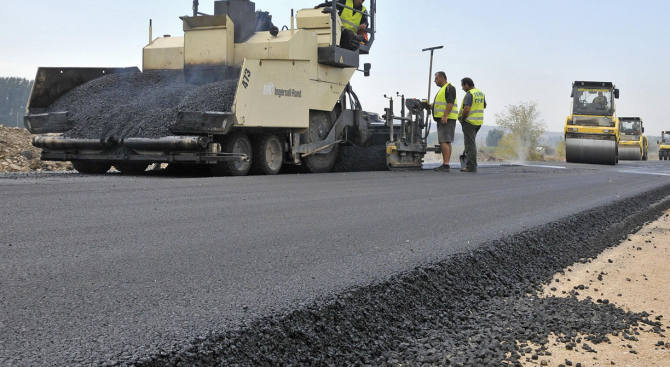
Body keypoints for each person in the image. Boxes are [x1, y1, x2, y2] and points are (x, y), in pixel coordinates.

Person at [431, 72, 458, 172]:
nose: (435, 80)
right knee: (447, 141)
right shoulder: (443, 90)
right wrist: (430, 105)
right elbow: (440, 104)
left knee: (443, 141)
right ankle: (446, 163)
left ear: (442, 78)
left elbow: (450, 103)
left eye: (436, 78)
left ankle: (446, 164)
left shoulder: (449, 88)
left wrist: (445, 115)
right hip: (444, 118)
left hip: (446, 119)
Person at [458, 77, 486, 173]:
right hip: (478, 122)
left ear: (466, 84)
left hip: (469, 122)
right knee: (471, 143)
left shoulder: (470, 94)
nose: (462, 88)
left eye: (462, 86)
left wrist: (462, 119)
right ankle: (471, 163)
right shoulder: (481, 93)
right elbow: (484, 105)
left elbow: (466, 109)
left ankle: (471, 166)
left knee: (470, 144)